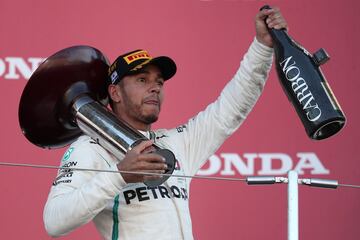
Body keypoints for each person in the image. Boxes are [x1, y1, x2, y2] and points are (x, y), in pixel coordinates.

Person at [43, 7, 288, 240]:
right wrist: (119, 176)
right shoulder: (90, 148)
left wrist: (263, 47)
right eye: (142, 79)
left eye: (159, 81)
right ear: (115, 93)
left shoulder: (176, 142)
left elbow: (232, 107)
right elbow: (54, 222)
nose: (155, 87)